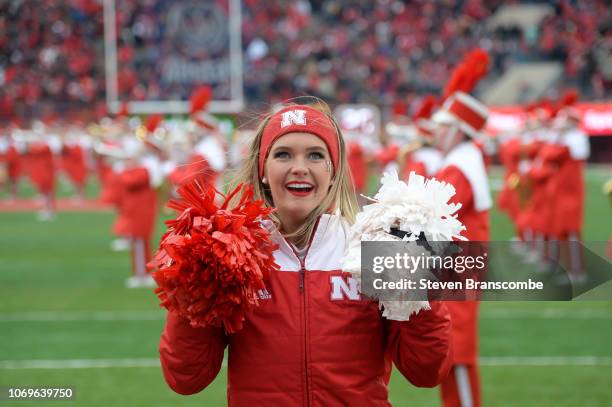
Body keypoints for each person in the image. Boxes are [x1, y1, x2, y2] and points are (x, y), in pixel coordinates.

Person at [158, 99, 453, 405]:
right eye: (283, 154)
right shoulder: (231, 254)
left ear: (333, 171)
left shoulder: (372, 248)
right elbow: (186, 377)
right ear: (263, 169)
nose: (299, 168)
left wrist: (422, 285)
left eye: (315, 155)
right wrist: (193, 289)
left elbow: (427, 371)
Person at [431, 91, 492, 407]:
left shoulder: (459, 165)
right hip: (452, 269)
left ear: (458, 130)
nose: (435, 131)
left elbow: (433, 212)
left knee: (458, 356)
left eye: (443, 126)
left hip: (457, 272)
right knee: (448, 355)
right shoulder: (459, 161)